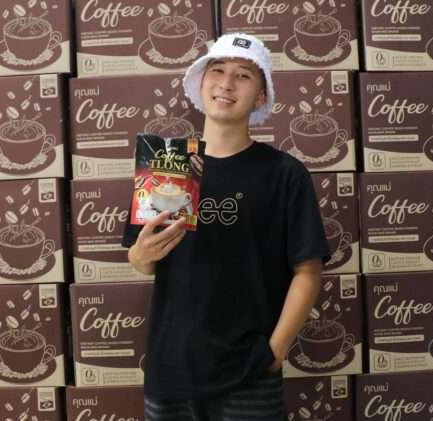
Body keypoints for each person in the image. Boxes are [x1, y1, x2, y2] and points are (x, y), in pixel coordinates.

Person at [122, 33, 330, 421]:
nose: (227, 83)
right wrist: (141, 254)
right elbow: (142, 262)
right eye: (217, 71)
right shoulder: (168, 165)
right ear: (201, 83)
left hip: (249, 373)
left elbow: (308, 270)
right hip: (170, 372)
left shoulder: (284, 173)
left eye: (243, 75)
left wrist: (275, 351)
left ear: (261, 96)